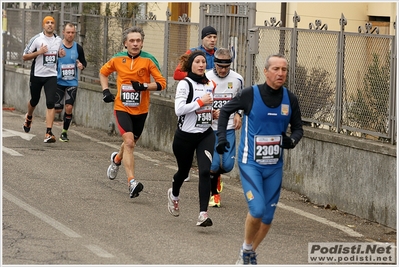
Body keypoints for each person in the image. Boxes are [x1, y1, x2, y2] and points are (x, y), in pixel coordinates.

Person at [216, 54, 303, 264]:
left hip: (274, 166)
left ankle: (248, 253)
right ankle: (246, 247)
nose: (280, 73)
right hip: (250, 163)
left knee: (268, 218)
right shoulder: (250, 94)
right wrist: (221, 138)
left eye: (284, 69)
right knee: (257, 210)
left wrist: (291, 141)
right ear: (265, 71)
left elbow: (299, 128)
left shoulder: (290, 99)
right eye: (276, 69)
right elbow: (226, 111)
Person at [100, 26, 166, 199]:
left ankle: (116, 160)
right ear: (125, 43)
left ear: (142, 43)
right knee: (128, 141)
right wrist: (106, 91)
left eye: (138, 41)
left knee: (131, 143)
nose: (135, 44)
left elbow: (161, 83)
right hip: (122, 107)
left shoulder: (149, 60)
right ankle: (132, 182)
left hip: (141, 110)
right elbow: (103, 72)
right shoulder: (117, 59)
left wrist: (143, 86)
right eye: (132, 41)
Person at [167, 50, 216, 227]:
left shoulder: (210, 83)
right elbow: (179, 110)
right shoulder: (185, 84)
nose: (201, 65)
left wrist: (213, 114)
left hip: (205, 134)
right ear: (191, 65)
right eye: (198, 62)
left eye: (203, 62)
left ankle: (203, 214)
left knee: (205, 171)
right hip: (185, 137)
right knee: (183, 172)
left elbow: (206, 110)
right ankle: (174, 194)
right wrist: (201, 102)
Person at [174, 25, 218, 182]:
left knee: (206, 136)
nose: (212, 40)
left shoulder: (219, 54)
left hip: (209, 100)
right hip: (192, 97)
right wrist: (196, 76)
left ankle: (206, 171)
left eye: (214, 37)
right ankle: (184, 169)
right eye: (209, 37)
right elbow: (177, 74)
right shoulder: (192, 53)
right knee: (188, 134)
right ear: (202, 38)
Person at [206, 48, 244, 207]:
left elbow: (242, 99)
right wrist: (209, 113)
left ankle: (218, 177)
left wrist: (239, 114)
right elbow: (197, 101)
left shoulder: (237, 79)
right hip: (209, 128)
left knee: (227, 166)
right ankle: (214, 195)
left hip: (228, 127)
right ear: (214, 63)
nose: (222, 70)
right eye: (220, 67)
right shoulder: (206, 77)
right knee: (213, 165)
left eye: (226, 67)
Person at [22, 16, 66, 143]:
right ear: (43, 25)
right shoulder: (36, 39)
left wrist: (60, 54)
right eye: (47, 23)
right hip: (37, 75)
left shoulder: (58, 40)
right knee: (34, 100)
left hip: (51, 75)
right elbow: (24, 56)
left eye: (52, 23)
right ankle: (29, 117)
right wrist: (39, 52)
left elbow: (57, 53)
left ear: (55, 26)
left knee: (51, 102)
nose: (50, 25)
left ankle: (48, 132)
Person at [55, 22, 87, 142]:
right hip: (58, 81)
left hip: (72, 83)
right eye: (68, 32)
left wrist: (81, 65)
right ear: (63, 32)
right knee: (57, 109)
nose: (70, 35)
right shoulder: (58, 46)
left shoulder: (78, 47)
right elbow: (50, 61)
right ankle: (49, 129)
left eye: (72, 32)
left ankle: (64, 132)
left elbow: (84, 62)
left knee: (69, 108)